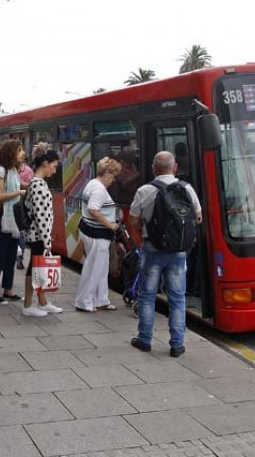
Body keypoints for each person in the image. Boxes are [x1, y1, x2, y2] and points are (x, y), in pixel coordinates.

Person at [128, 151, 202, 357]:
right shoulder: (187, 189)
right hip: (178, 253)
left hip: (152, 250)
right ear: (175, 167)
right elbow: (198, 217)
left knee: (147, 296)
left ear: (154, 168)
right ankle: (177, 345)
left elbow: (133, 221)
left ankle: (144, 339)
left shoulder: (144, 190)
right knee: (177, 298)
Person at [74, 157, 122, 312]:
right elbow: (94, 209)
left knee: (101, 268)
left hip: (92, 231)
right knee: (94, 268)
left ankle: (101, 299)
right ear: (107, 173)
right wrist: (111, 225)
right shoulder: (99, 189)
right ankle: (84, 302)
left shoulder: (93, 183)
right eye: (114, 176)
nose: (113, 180)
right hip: (97, 234)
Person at [21, 148, 64, 317]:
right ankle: (27, 305)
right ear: (45, 164)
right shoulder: (38, 184)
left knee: (36, 269)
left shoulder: (37, 182)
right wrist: (47, 241)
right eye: (54, 166)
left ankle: (42, 302)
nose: (55, 170)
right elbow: (40, 215)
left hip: (39, 234)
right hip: (39, 235)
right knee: (34, 269)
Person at [0, 139, 26, 305]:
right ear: (11, 152)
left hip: (14, 217)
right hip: (3, 216)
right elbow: (0, 195)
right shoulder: (1, 170)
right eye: (20, 150)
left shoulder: (13, 170)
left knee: (11, 254)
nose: (23, 153)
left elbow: (18, 185)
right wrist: (19, 192)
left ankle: (8, 289)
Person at [16, 148, 34, 270]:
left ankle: (19, 259)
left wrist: (19, 182)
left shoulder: (28, 171)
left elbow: (30, 186)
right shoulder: (9, 170)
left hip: (22, 205)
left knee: (21, 234)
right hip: (11, 205)